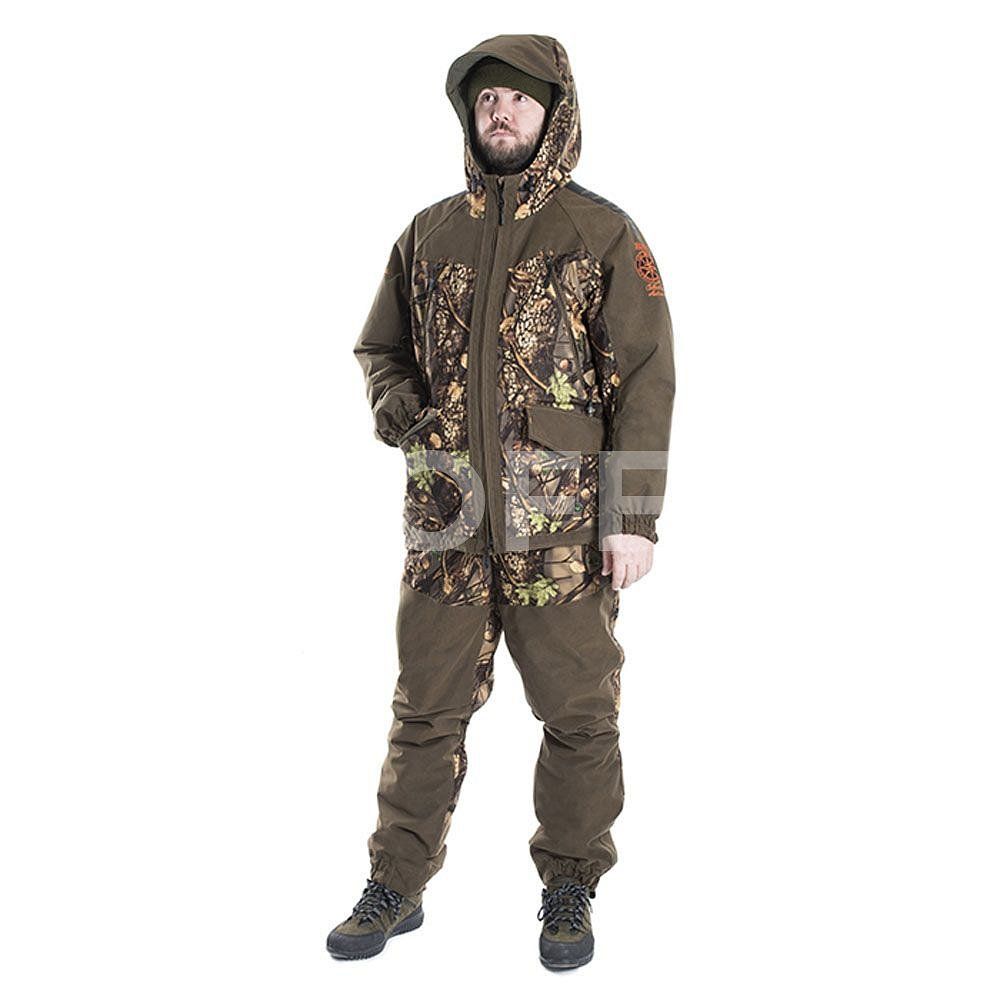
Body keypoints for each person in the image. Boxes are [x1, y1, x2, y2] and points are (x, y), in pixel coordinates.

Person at [327, 33, 675, 971]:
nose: (501, 113)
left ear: (552, 114)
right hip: (447, 520)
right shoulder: (428, 233)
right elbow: (380, 348)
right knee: (424, 711)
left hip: (561, 528)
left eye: (518, 99)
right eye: (486, 100)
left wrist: (631, 520)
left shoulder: (602, 233)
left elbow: (646, 378)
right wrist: (400, 408)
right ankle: (396, 883)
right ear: (469, 117)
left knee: (579, 714)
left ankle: (570, 883)